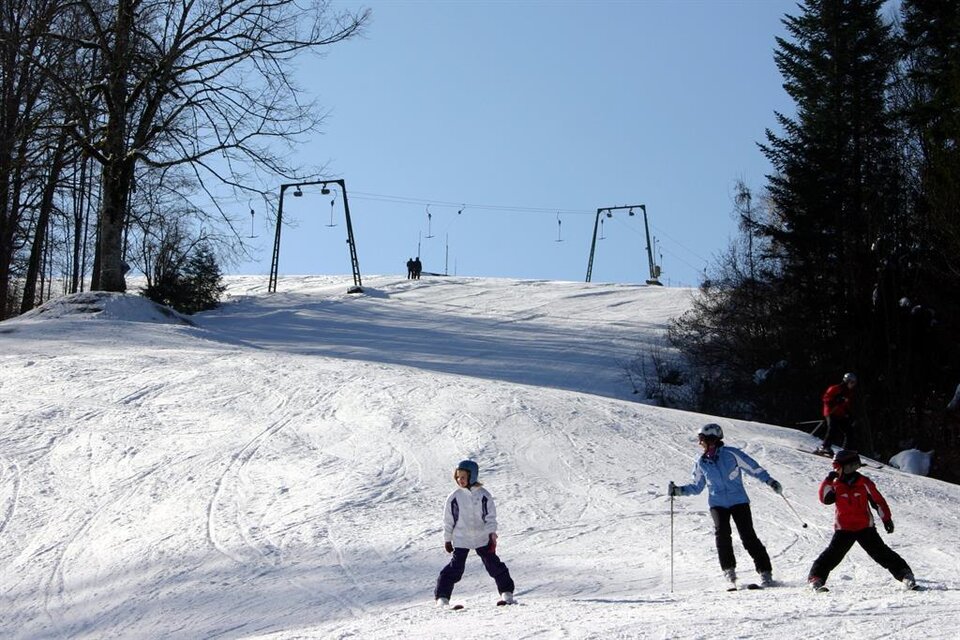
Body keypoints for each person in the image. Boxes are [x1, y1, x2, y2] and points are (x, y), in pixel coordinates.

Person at [668, 423, 782, 588]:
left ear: (711, 440)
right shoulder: (701, 462)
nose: (700, 443)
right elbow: (697, 486)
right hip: (717, 504)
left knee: (748, 536)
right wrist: (678, 491)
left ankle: (766, 574)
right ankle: (730, 574)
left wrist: (770, 481)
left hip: (739, 502)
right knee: (722, 536)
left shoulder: (732, 454)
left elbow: (753, 468)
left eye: (702, 440)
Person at [808, 450, 917, 592]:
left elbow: (878, 502)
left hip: (865, 527)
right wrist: (828, 480)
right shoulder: (835, 484)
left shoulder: (864, 483)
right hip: (844, 529)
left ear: (850, 467)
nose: (836, 471)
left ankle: (905, 575)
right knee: (832, 555)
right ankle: (816, 578)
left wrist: (886, 519)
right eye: (835, 468)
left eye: (838, 467)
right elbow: (824, 499)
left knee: (881, 553)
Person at [434, 460, 516, 607]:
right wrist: (447, 539)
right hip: (461, 538)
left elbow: (490, 517)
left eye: (463, 477)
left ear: (472, 476)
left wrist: (492, 535)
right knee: (455, 569)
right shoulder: (454, 497)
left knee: (494, 565)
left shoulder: (484, 495)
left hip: (481, 537)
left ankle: (507, 594)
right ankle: (442, 598)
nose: (460, 480)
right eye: (458, 477)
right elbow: (449, 520)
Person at [816, 372, 857, 455]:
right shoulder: (835, 388)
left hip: (840, 414)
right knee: (832, 428)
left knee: (849, 431)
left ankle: (846, 450)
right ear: (847, 381)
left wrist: (849, 414)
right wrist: (836, 400)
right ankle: (825, 447)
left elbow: (846, 405)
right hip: (831, 412)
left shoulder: (848, 393)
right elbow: (825, 399)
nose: (853, 385)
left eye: (854, 383)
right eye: (851, 382)